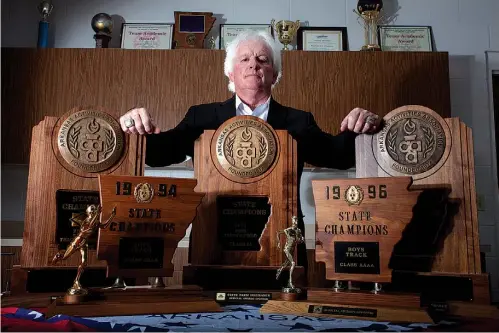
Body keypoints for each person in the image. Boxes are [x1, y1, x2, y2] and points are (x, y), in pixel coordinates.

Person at [118, 30, 381, 269]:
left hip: (282, 247)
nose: (254, 64)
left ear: (274, 74)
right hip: (214, 247)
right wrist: (132, 126)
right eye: (244, 59)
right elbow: (161, 153)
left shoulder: (298, 121)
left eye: (263, 59)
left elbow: (338, 155)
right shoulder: (202, 117)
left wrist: (362, 125)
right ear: (230, 73)